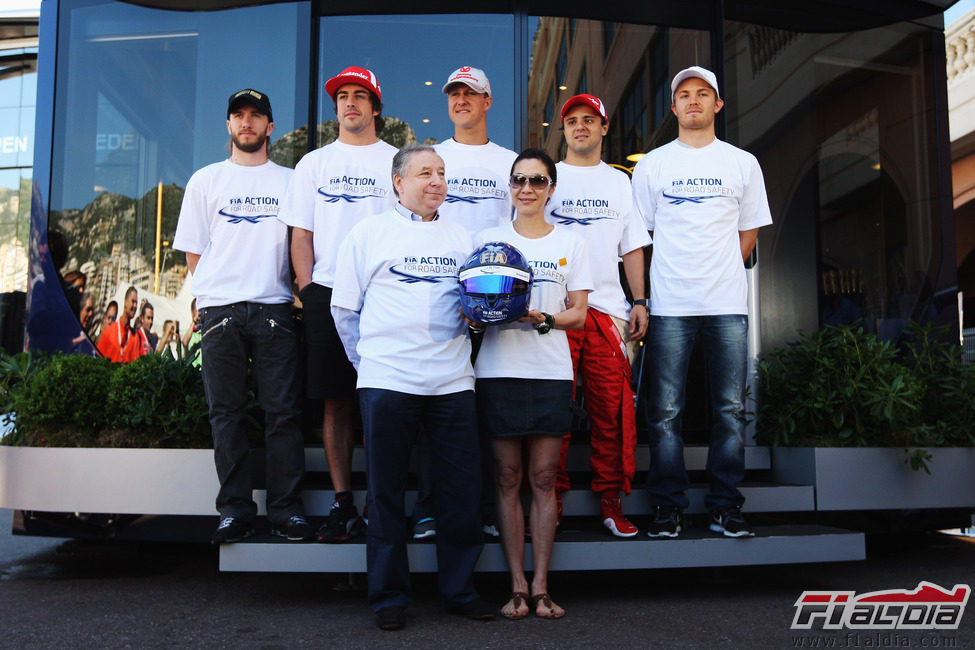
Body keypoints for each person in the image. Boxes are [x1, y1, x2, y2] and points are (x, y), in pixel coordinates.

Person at [331, 144, 494, 631]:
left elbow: (477, 310)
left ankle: (460, 590)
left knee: (461, 491)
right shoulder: (367, 234)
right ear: (398, 183)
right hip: (386, 381)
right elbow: (344, 311)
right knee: (384, 493)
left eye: (442, 173)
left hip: (452, 382)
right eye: (425, 173)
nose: (436, 181)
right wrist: (372, 364)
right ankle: (388, 596)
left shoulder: (463, 238)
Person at [631, 66, 773, 539]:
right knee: (665, 413)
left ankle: (725, 507)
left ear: (718, 104)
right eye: (684, 95)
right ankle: (668, 508)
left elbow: (748, 231)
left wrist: (719, 272)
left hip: (727, 304)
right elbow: (642, 236)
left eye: (703, 94)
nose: (693, 101)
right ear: (673, 108)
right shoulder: (653, 164)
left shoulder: (742, 163)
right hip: (670, 303)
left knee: (729, 410)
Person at [173, 88, 311, 544]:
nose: (247, 123)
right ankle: (234, 510)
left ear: (270, 127)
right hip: (220, 312)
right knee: (226, 414)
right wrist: (215, 294)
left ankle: (286, 511)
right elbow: (195, 253)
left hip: (273, 307)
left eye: (256, 116)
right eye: (239, 116)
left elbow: (301, 244)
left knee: (283, 414)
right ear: (229, 126)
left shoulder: (290, 180)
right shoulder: (205, 180)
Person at [277, 66, 397, 543]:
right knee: (336, 400)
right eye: (343, 96)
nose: (350, 103)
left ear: (375, 108)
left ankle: (378, 502)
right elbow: (300, 235)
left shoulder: (398, 162)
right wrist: (308, 291)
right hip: (328, 292)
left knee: (384, 397)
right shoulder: (313, 165)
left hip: (386, 291)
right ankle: (343, 502)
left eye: (360, 96)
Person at [472, 148, 591, 620]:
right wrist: (488, 313)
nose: (527, 188)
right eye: (520, 180)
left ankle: (542, 586)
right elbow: (471, 305)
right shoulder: (488, 240)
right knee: (507, 478)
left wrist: (544, 319)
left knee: (543, 479)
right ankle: (516, 585)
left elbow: (579, 314)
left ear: (551, 188)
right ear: (510, 185)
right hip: (499, 370)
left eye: (537, 181)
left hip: (549, 372)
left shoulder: (571, 243)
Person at [415, 66, 518, 539]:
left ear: (487, 101)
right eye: (453, 93)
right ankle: (432, 508)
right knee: (437, 411)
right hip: (441, 302)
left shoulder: (510, 162)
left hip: (497, 305)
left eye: (470, 93)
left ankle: (485, 512)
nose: (461, 100)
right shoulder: (432, 159)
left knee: (488, 416)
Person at [547, 94, 651, 538]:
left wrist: (640, 301)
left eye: (589, 120)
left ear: (604, 128)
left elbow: (631, 247)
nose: (580, 127)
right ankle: (550, 501)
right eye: (572, 121)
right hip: (557, 313)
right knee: (554, 413)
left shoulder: (620, 183)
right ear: (564, 130)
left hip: (608, 311)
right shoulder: (546, 178)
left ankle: (611, 501)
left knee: (613, 413)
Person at [96, 286, 142, 362]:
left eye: (136, 303)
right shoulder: (109, 332)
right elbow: (97, 360)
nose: (135, 306)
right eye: (133, 301)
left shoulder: (135, 337)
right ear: (125, 302)